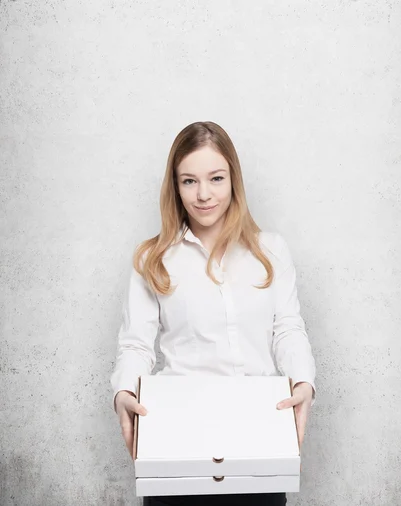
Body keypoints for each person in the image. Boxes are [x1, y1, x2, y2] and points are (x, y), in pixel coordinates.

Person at [110, 121, 317, 506]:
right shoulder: (151, 258)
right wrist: (124, 390)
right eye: (189, 181)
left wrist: (303, 382)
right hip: (176, 438)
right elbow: (136, 344)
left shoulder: (270, 251)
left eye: (216, 178)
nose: (203, 194)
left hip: (259, 436)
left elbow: (287, 328)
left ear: (233, 180)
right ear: (175, 186)